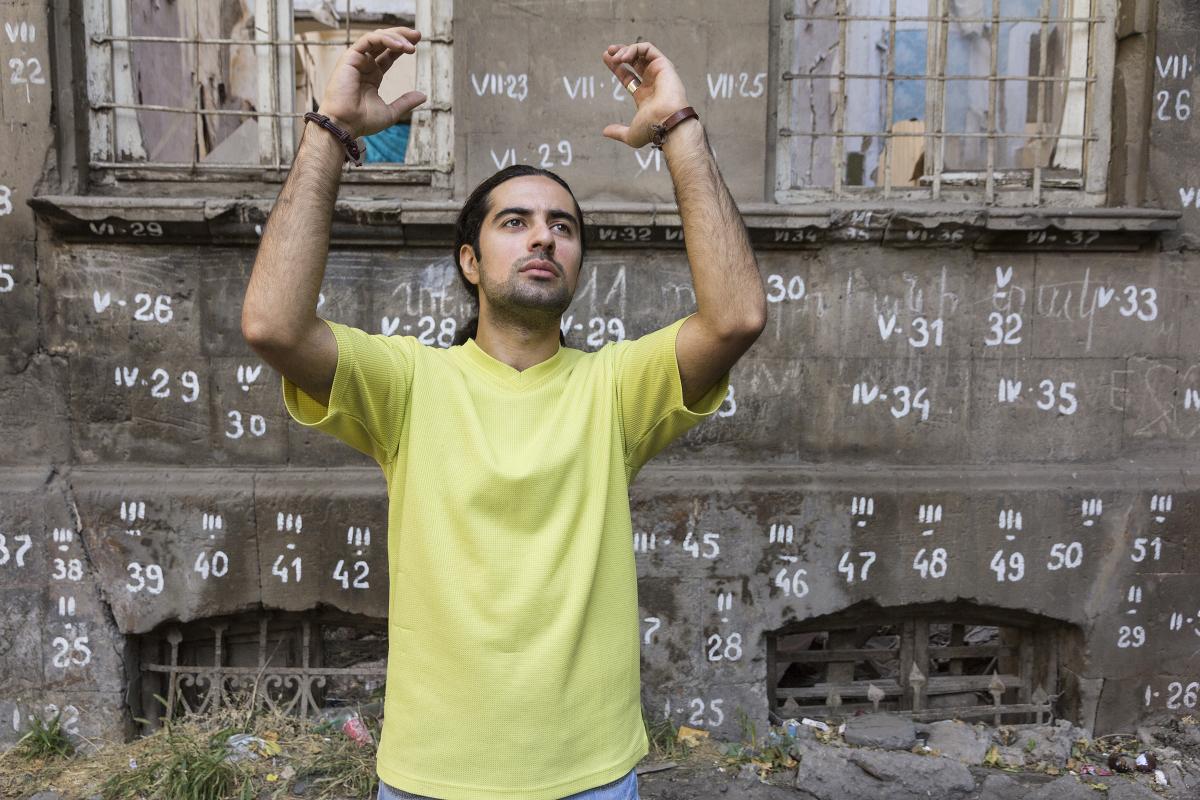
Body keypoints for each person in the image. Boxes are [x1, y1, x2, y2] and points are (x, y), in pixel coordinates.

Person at [241, 26, 766, 800]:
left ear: (579, 262)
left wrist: (678, 129)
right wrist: (330, 130)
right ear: (470, 261)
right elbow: (273, 327)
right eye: (514, 222)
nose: (544, 238)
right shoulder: (409, 385)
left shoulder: (615, 389)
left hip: (589, 776)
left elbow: (736, 319)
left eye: (563, 226)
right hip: (432, 778)